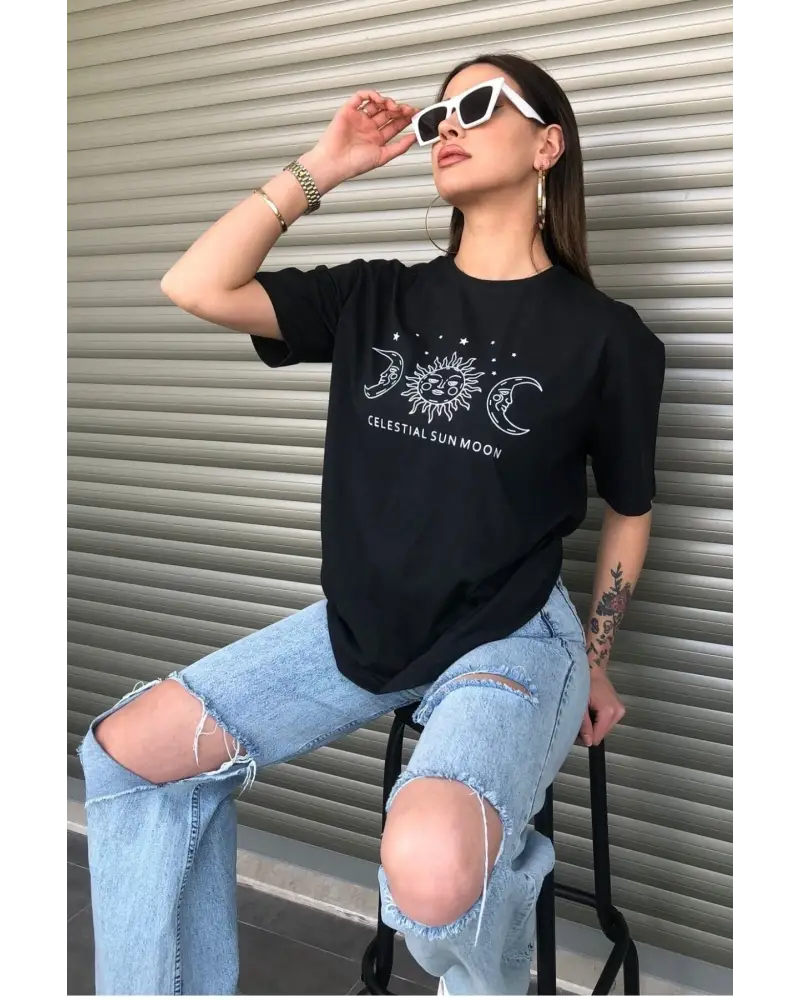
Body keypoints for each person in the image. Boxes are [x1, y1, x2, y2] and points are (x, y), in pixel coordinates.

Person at [78, 51, 665, 996]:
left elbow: (630, 513)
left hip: (511, 634)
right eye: (436, 117)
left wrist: (594, 659)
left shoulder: (609, 338)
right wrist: (327, 164)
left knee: (429, 864)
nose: (448, 126)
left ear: (547, 145)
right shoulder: (374, 296)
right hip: (363, 628)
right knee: (126, 756)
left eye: (478, 105)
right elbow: (196, 284)